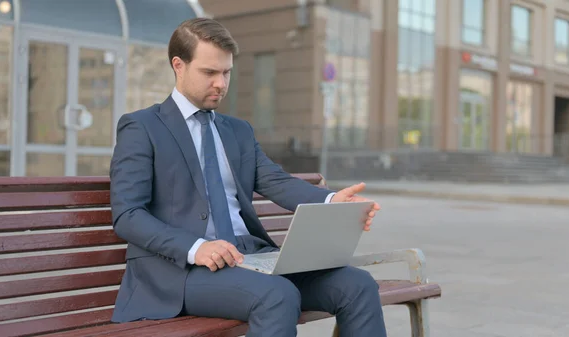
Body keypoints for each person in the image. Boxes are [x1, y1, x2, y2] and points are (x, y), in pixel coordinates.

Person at [109, 17, 387, 337]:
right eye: (209, 72)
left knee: (358, 285)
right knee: (277, 295)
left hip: (250, 259)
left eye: (226, 72)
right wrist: (195, 246)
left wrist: (331, 200)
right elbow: (128, 215)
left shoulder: (237, 132)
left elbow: (276, 180)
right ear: (178, 66)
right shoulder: (142, 127)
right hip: (181, 272)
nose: (221, 83)